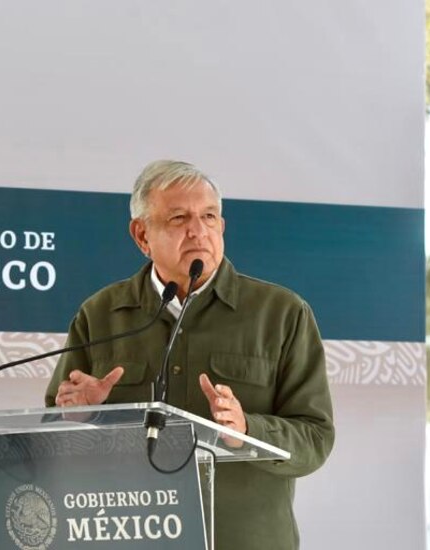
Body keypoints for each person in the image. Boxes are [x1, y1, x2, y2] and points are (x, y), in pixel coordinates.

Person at [44, 160, 335, 549]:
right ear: (141, 235)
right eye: (179, 218)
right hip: (129, 538)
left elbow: (314, 439)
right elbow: (51, 437)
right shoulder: (99, 315)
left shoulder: (282, 314)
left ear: (222, 227)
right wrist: (80, 416)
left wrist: (247, 430)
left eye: (209, 216)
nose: (198, 231)